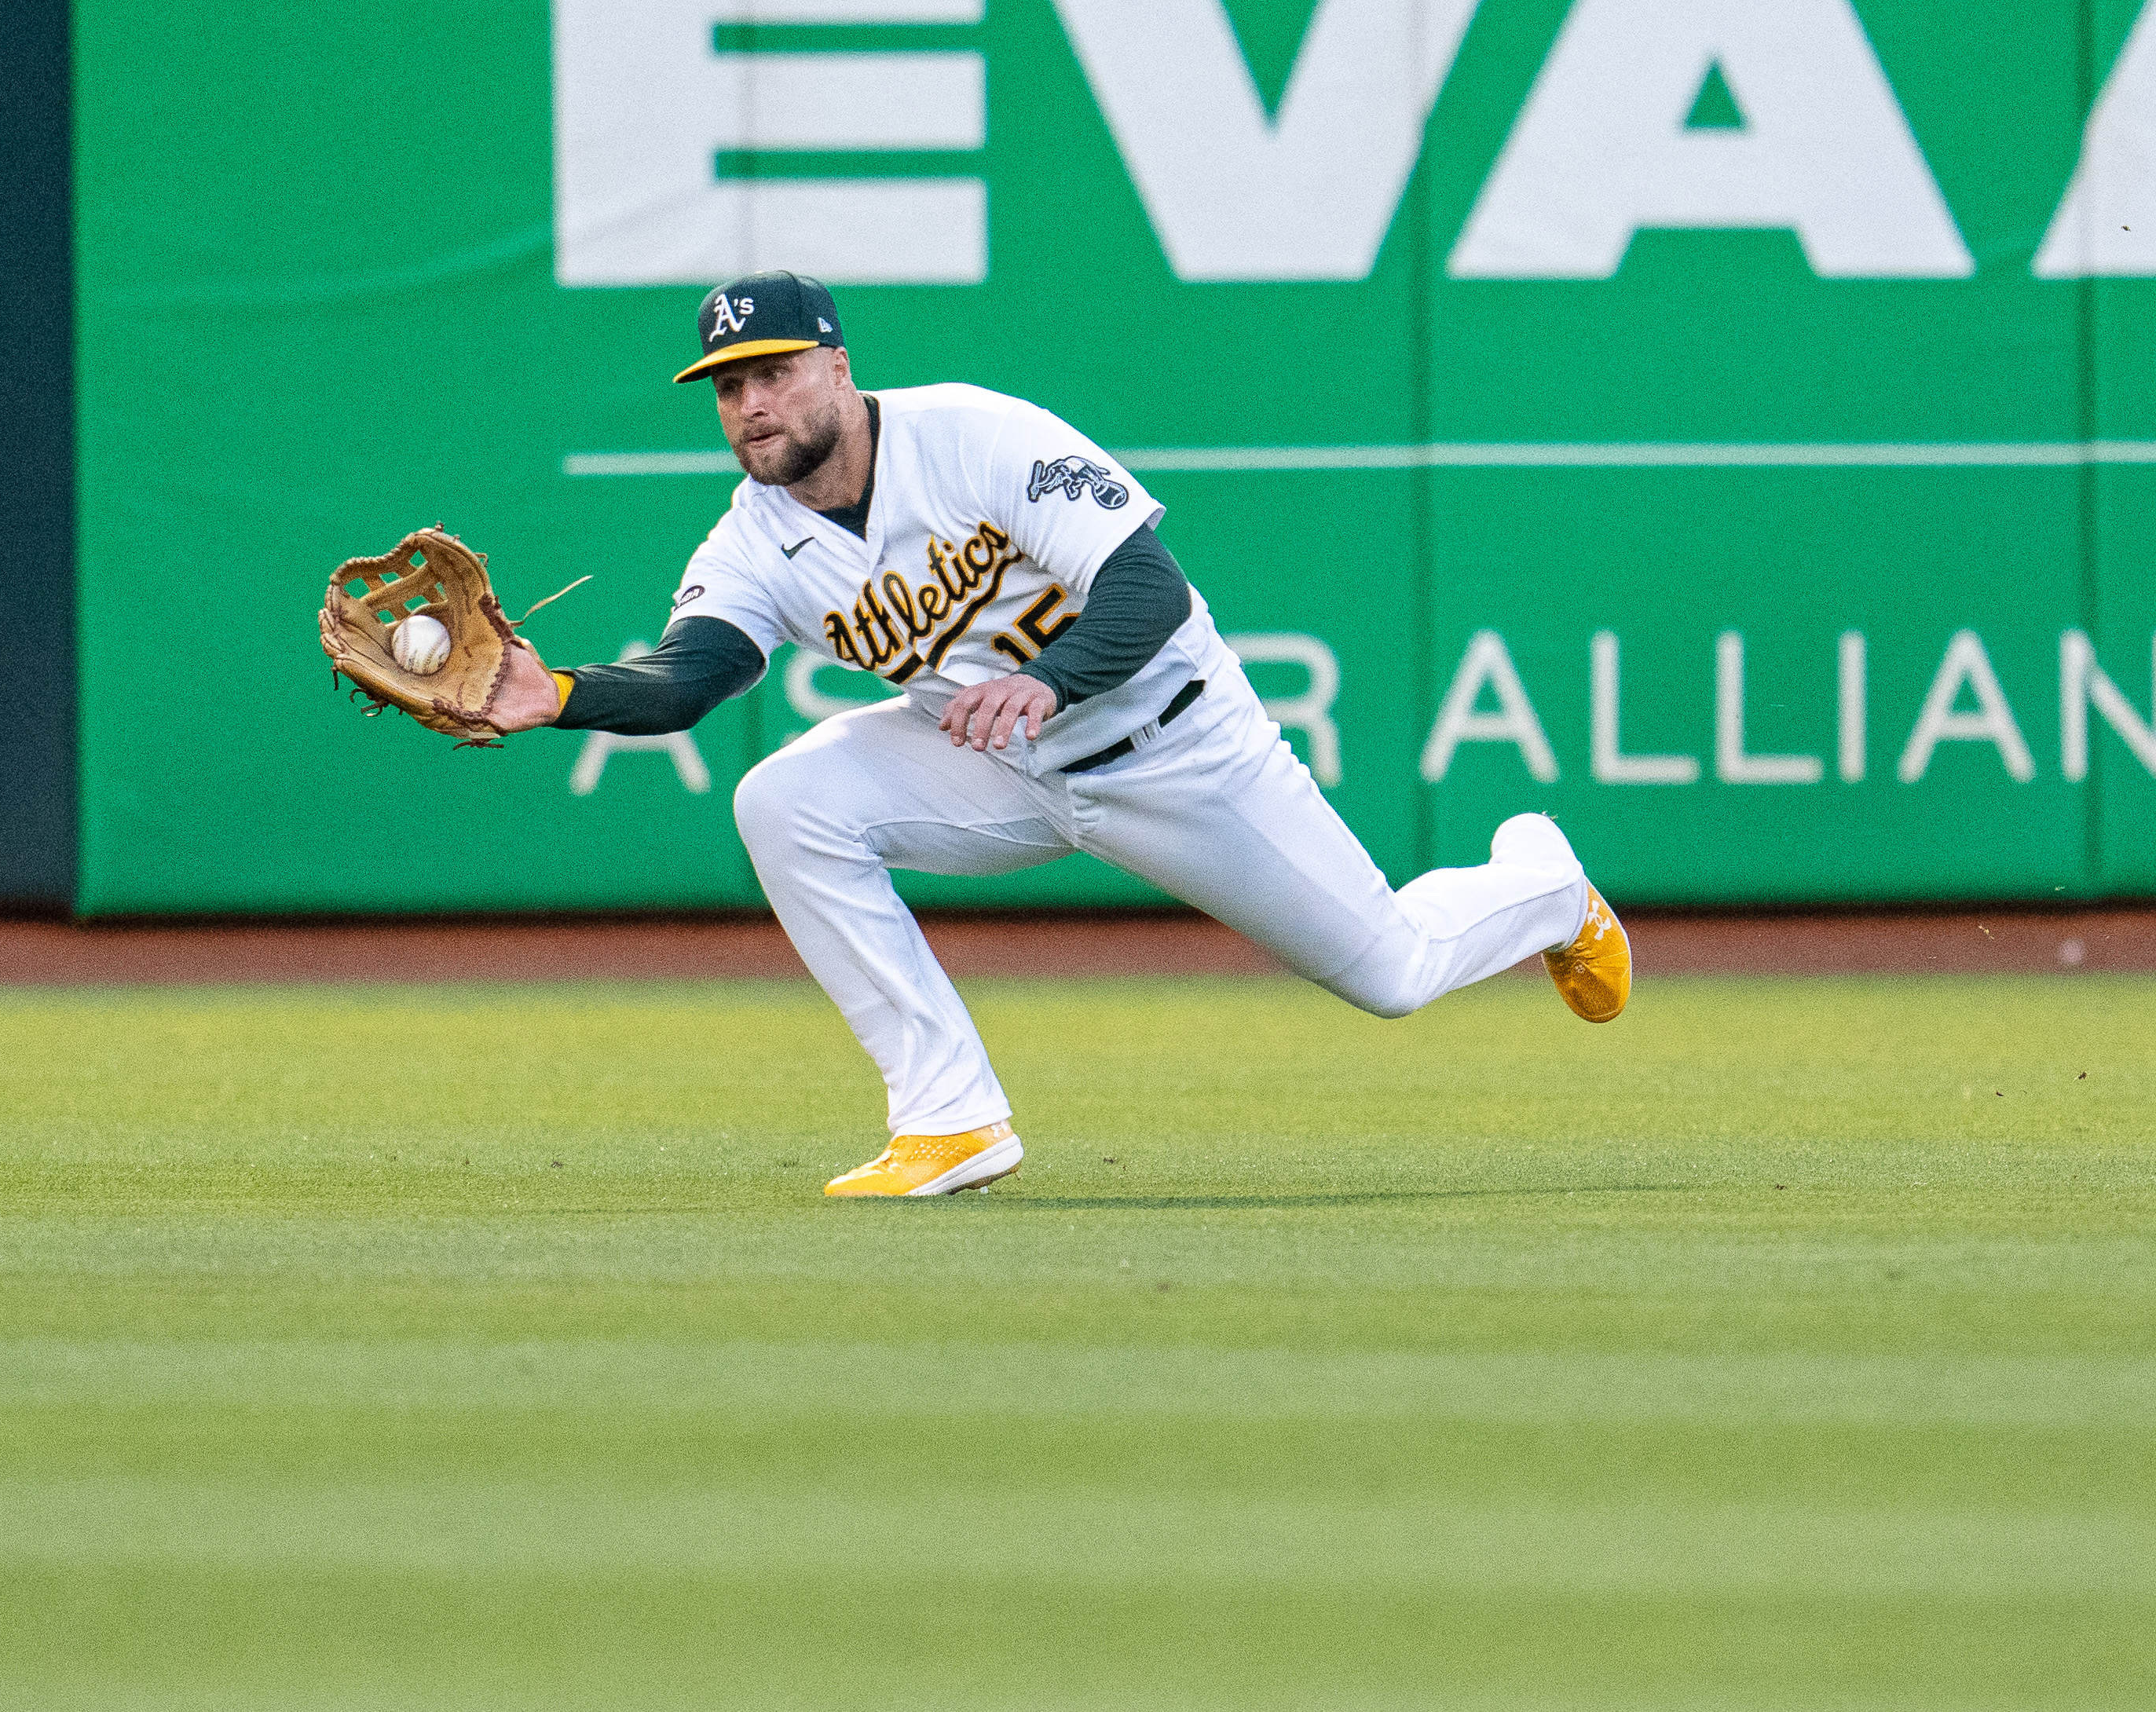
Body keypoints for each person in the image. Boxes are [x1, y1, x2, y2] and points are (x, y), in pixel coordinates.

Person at [475, 269, 1630, 1199]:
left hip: (1175, 747)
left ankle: (1544, 885)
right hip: (996, 766)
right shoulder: (753, 538)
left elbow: (1147, 589)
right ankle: (950, 1119)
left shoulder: (975, 435)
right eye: (726, 388)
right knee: (782, 801)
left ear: (837, 364)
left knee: (1392, 970)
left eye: (771, 372)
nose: (750, 406)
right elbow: (693, 673)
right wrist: (560, 692)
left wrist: (1049, 679)